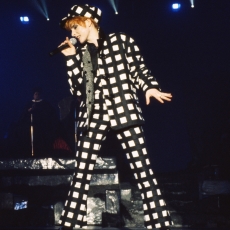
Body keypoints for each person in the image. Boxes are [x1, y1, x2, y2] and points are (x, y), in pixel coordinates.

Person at [57, 4, 173, 229]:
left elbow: (139, 70)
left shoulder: (122, 41)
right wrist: (71, 59)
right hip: (93, 114)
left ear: (89, 22)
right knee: (81, 171)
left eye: (75, 27)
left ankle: (159, 223)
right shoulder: (79, 52)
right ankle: (71, 223)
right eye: (71, 29)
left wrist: (149, 87)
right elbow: (78, 91)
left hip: (124, 109)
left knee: (142, 168)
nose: (73, 33)